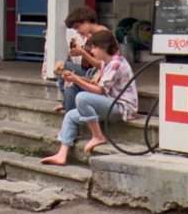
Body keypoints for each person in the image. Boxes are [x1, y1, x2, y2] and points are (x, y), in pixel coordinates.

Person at [40, 30, 138, 166]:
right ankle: (62, 154)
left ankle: (98, 136)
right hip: (109, 103)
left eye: (93, 47)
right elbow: (96, 84)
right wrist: (75, 78)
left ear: (103, 47)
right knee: (70, 116)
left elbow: (99, 90)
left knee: (82, 98)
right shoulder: (106, 63)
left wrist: (76, 80)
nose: (92, 51)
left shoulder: (116, 63)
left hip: (122, 107)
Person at [51, 6, 109, 112]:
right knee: (62, 68)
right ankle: (67, 104)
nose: (77, 31)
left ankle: (70, 112)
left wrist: (82, 53)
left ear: (86, 21)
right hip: (90, 71)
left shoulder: (103, 36)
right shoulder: (90, 35)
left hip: (99, 76)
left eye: (78, 27)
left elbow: (102, 65)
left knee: (70, 84)